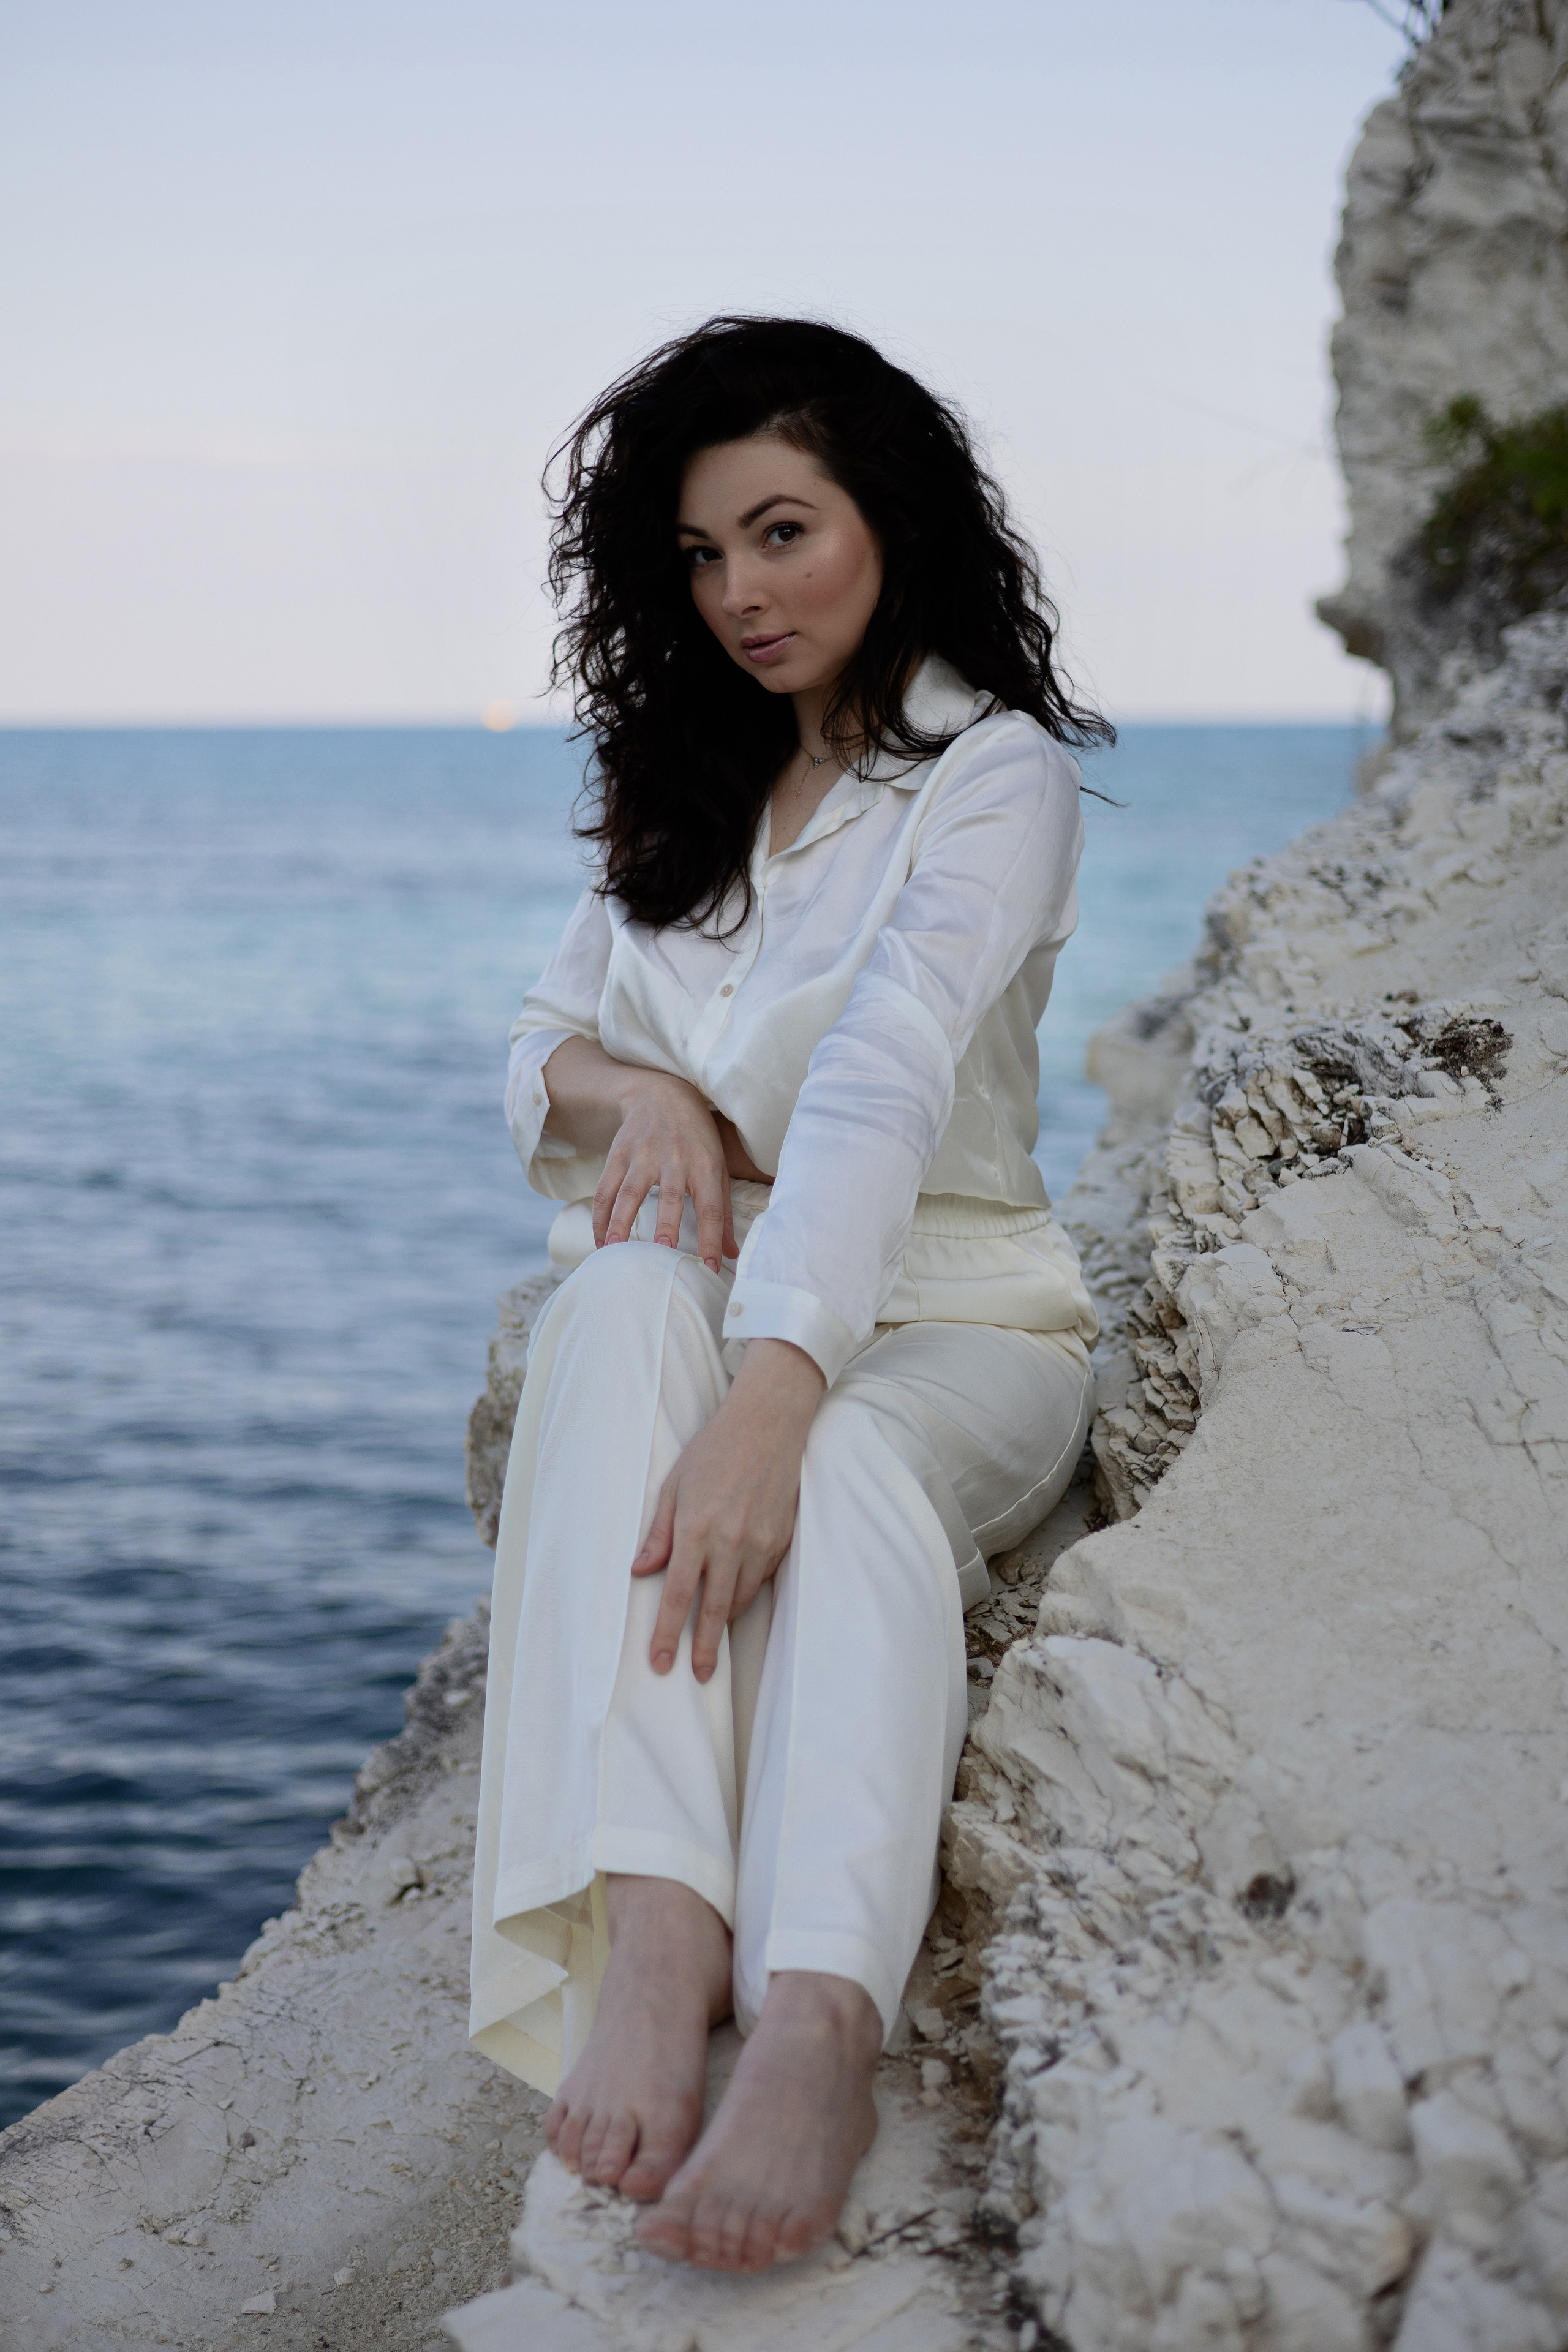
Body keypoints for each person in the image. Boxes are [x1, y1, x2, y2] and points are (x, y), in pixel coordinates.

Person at [469, 316, 1109, 2275]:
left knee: (836, 1468)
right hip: (710, 1288)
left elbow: (884, 1069)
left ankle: (821, 2017)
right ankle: (663, 1929)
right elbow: (538, 1057)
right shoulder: (691, 783)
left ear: (889, 522)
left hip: (963, 1316)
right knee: (612, 1301)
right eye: (699, 554)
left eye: (782, 532)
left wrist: (776, 1391)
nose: (741, 592)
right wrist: (645, 1092)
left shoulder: (993, 775)